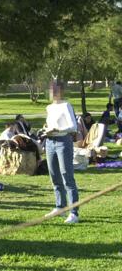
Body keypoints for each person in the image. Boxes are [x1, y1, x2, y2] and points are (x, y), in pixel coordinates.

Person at [44, 81, 79, 224]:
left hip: (63, 142)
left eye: (57, 90)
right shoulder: (49, 107)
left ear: (62, 91)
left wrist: (58, 130)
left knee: (67, 177)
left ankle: (74, 213)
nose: (54, 93)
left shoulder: (66, 105)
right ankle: (60, 206)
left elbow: (73, 126)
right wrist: (47, 128)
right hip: (49, 142)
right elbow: (51, 123)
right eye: (52, 90)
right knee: (54, 177)